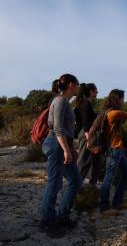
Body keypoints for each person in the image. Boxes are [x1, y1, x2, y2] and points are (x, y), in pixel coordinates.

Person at [40, 74, 82, 236]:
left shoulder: (65, 103)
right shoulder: (59, 101)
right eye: (77, 85)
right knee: (55, 183)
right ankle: (47, 221)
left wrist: (70, 148)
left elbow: (65, 129)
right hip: (56, 144)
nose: (79, 88)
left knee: (76, 181)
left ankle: (63, 215)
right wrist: (66, 149)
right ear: (71, 85)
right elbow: (57, 128)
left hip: (63, 144)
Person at [74, 83, 100, 185]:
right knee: (83, 161)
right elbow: (85, 122)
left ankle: (91, 188)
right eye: (96, 90)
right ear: (91, 92)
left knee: (95, 161)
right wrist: (88, 138)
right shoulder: (85, 104)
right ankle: (75, 187)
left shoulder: (82, 103)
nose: (97, 92)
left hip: (86, 134)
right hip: (87, 135)